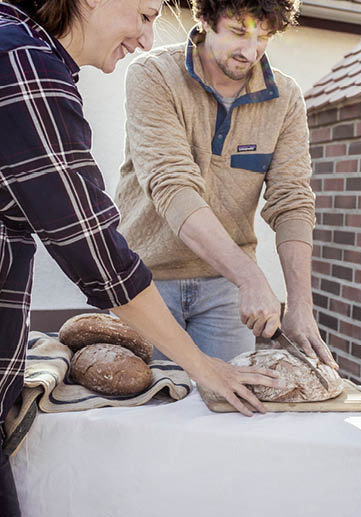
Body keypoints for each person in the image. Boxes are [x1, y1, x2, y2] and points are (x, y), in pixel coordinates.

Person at [0, 1, 286, 514]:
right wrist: (203, 367)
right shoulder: (25, 66)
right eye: (145, 14)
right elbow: (99, 256)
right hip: (151, 286)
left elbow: (293, 197)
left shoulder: (16, 44)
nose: (146, 38)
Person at [114, 0, 338, 369]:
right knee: (144, 414)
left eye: (263, 37)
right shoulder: (152, 75)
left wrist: (299, 305)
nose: (250, 52)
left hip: (225, 291)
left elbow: (293, 200)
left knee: (227, 414)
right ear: (204, 19)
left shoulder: (285, 98)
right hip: (145, 283)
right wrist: (251, 277)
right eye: (238, 32)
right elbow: (173, 186)